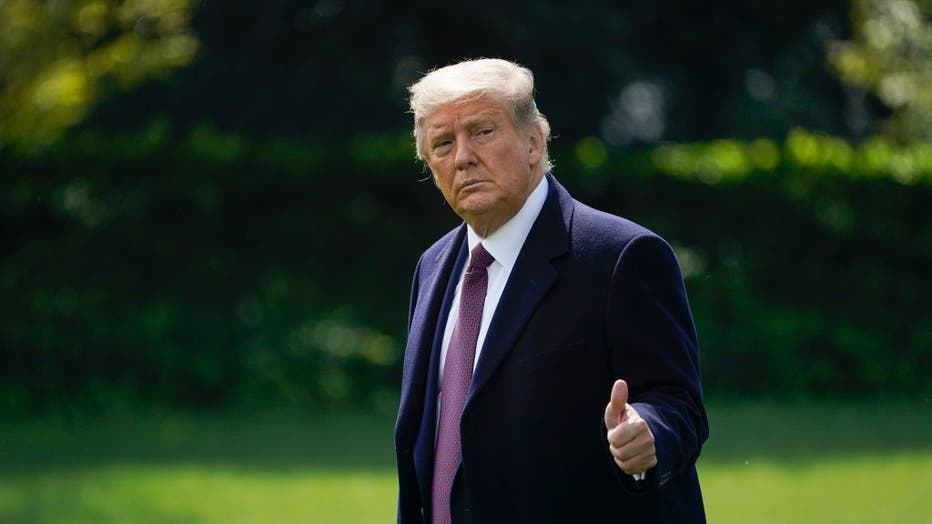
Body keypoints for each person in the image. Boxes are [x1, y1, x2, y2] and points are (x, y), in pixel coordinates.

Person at [394, 58, 708, 524]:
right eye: (443, 143)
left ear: (534, 143)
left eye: (482, 132)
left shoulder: (619, 255)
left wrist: (649, 434)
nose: (462, 156)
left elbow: (678, 404)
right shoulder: (433, 266)